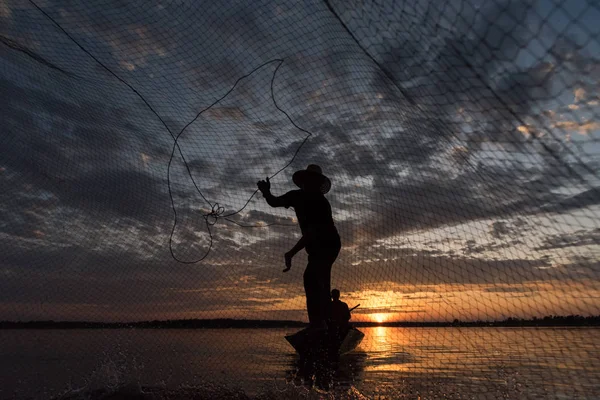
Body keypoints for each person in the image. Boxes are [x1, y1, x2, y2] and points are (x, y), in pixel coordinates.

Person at [257, 164, 341, 329]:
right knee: (318, 280)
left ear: (318, 184)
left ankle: (320, 324)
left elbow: (312, 233)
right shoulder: (295, 196)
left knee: (313, 278)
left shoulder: (321, 203)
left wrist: (291, 253)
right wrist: (266, 192)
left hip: (329, 244)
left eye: (314, 181)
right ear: (303, 181)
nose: (310, 183)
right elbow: (275, 202)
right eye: (308, 180)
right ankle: (322, 322)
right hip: (315, 248)